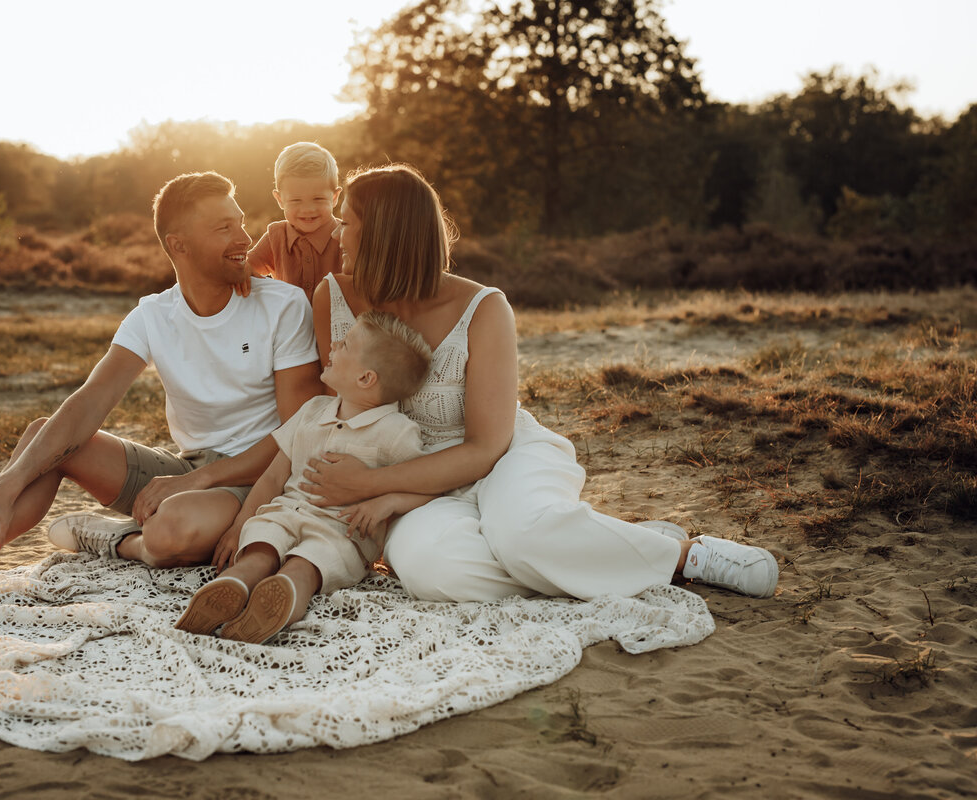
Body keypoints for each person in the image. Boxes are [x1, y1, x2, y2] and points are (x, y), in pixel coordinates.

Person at [0, 172, 323, 608]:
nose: (244, 237)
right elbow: (89, 402)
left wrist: (201, 481)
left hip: (257, 476)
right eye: (224, 227)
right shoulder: (152, 314)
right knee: (48, 437)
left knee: (171, 530)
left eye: (240, 222)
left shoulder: (282, 306)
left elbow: (296, 433)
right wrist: (4, 487)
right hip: (184, 472)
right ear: (179, 245)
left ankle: (112, 538)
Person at [301, 164, 780, 602]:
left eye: (347, 221)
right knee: (437, 573)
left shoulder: (484, 308)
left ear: (384, 234)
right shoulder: (333, 298)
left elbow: (485, 447)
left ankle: (683, 555)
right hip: (411, 488)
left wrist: (371, 482)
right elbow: (330, 414)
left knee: (522, 538)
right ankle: (599, 546)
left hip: (502, 458)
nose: (337, 232)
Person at [173, 310, 432, 644]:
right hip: (284, 512)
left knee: (307, 564)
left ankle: (282, 597)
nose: (333, 345)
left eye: (345, 344)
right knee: (261, 547)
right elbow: (272, 478)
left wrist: (388, 502)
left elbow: (428, 486)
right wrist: (239, 525)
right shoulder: (312, 411)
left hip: (341, 532)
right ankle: (234, 585)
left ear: (366, 378)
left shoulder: (396, 432)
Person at [245, 141, 343, 302]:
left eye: (318, 199)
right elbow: (245, 268)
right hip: (289, 318)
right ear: (280, 199)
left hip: (338, 318)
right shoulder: (276, 237)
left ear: (334, 197)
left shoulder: (345, 236)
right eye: (296, 200)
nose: (308, 209)